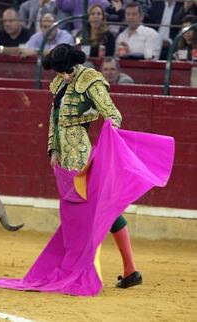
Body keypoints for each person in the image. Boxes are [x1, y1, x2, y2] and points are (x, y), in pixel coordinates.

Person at [46, 44, 142, 288]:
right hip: (65, 158)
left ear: (75, 65)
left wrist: (106, 146)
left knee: (90, 212)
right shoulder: (59, 83)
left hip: (82, 156)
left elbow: (113, 115)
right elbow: (54, 117)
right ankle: (129, 270)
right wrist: (54, 148)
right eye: (59, 72)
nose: (64, 76)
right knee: (99, 210)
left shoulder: (90, 80)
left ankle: (85, 271)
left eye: (66, 71)